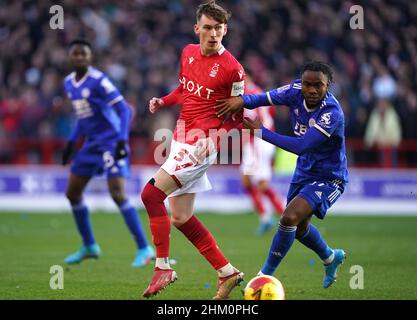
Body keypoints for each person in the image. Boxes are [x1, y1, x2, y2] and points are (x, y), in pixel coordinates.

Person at [141, 1, 245, 299]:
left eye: (219, 28)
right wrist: (163, 100)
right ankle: (227, 272)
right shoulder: (187, 53)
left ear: (225, 30)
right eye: (208, 27)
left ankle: (163, 267)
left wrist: (214, 140)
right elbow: (185, 90)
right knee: (181, 218)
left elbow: (237, 118)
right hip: (180, 138)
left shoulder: (233, 70)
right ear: (197, 28)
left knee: (150, 195)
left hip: (200, 145)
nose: (214, 34)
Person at [216, 61, 348, 288]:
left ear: (329, 85)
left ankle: (262, 277)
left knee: (289, 218)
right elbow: (263, 98)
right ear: (301, 83)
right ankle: (330, 257)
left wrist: (261, 132)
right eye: (308, 84)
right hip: (304, 172)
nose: (312, 90)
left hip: (330, 177)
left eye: (319, 85)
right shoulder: (294, 91)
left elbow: (301, 146)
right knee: (299, 228)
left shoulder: (331, 113)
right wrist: (241, 100)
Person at [62, 39, 155, 267]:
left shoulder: (99, 81)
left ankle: (144, 248)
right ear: (70, 57)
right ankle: (89, 246)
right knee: (73, 193)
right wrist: (72, 142)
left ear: (90, 57)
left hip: (112, 143)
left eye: (84, 54)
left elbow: (124, 109)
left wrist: (123, 140)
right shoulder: (68, 83)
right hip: (91, 145)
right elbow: (82, 117)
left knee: (117, 193)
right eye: (76, 54)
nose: (80, 58)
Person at [240, 75, 285, 236]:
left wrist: (247, 139)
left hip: (259, 141)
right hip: (261, 140)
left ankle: (288, 218)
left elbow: (252, 121)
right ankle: (266, 217)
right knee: (246, 180)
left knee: (261, 183)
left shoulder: (248, 95)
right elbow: (271, 113)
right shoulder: (258, 92)